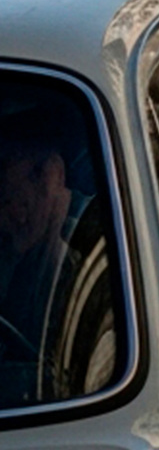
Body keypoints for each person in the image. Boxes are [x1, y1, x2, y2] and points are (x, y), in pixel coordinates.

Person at [0, 125, 73, 360]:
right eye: (4, 204)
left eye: (19, 202)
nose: (12, 218)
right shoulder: (19, 254)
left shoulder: (93, 244)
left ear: (53, 176)